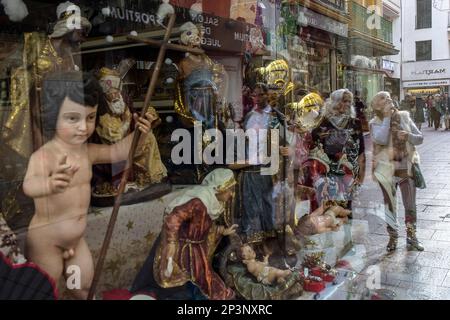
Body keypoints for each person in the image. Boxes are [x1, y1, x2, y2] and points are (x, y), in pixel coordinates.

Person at [22, 71, 155, 299]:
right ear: (53, 117)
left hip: (75, 242)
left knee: (82, 286)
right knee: (46, 288)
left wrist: (140, 134)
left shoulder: (87, 152)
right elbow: (29, 186)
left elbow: (118, 152)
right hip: (47, 242)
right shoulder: (46, 155)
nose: (84, 127)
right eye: (72, 118)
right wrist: (49, 184)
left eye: (90, 118)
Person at [131, 169, 238, 300]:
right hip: (184, 249)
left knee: (202, 278)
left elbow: (203, 227)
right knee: (197, 279)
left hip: (196, 249)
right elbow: (172, 219)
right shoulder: (198, 202)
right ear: (220, 188)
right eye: (230, 190)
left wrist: (222, 231)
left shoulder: (210, 201)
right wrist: (171, 243)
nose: (232, 195)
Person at [370, 91, 425, 252]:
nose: (387, 98)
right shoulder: (375, 122)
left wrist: (408, 135)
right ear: (376, 105)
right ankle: (393, 237)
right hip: (386, 171)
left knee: (410, 205)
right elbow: (380, 139)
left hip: (405, 169)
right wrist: (387, 117)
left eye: (388, 96)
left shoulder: (404, 117)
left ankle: (412, 237)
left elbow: (420, 138)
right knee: (390, 206)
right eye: (382, 97)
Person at [309, 89, 366, 210]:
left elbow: (361, 150)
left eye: (349, 102)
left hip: (348, 173)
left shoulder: (355, 123)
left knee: (345, 211)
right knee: (326, 211)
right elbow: (312, 146)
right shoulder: (322, 122)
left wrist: (361, 175)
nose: (347, 104)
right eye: (344, 101)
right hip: (326, 173)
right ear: (334, 101)